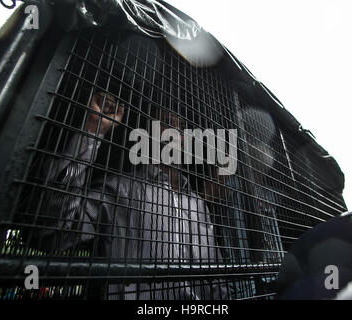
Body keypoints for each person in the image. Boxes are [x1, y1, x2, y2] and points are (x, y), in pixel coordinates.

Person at [36, 91, 228, 300]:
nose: (174, 130)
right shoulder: (118, 189)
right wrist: (93, 131)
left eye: (180, 127)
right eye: (165, 122)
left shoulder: (197, 204)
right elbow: (54, 234)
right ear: (147, 134)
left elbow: (215, 271)